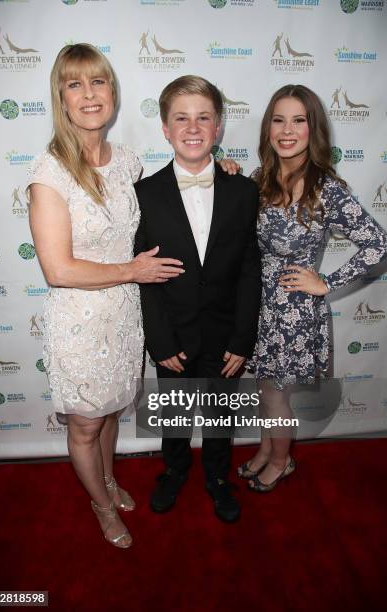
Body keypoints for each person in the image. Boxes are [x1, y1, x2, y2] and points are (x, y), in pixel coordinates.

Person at [27, 43, 184, 548]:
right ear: (61, 97)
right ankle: (99, 504)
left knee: (113, 411)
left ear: (112, 93)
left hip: (124, 317)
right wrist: (132, 270)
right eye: (75, 84)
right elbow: (58, 269)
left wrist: (215, 168)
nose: (89, 94)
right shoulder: (49, 172)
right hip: (79, 321)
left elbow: (169, 196)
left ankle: (109, 480)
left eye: (98, 82)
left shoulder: (130, 162)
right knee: (86, 426)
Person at [234, 84, 387, 492]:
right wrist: (225, 175)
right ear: (268, 128)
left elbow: (377, 244)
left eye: (298, 120)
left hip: (294, 313)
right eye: (278, 120)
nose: (287, 130)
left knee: (277, 396)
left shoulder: (327, 189)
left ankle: (281, 461)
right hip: (258, 306)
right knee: (267, 391)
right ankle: (267, 451)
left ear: (312, 128)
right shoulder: (259, 178)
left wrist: (327, 282)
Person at [134, 75, 261, 522]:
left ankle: (217, 475)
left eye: (203, 117)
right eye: (181, 118)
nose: (193, 127)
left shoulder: (244, 191)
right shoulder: (144, 195)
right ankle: (173, 468)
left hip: (226, 332)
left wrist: (243, 337)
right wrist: (160, 341)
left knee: (220, 415)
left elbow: (250, 270)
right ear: (165, 129)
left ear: (219, 126)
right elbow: (143, 275)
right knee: (173, 413)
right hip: (174, 334)